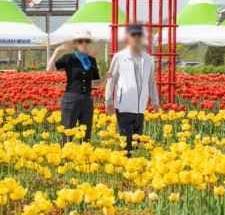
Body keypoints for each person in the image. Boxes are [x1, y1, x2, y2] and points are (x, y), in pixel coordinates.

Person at [104, 23, 159, 155]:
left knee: (136, 142)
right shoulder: (119, 57)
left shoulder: (148, 59)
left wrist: (155, 101)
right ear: (128, 37)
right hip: (124, 106)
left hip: (140, 108)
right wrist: (108, 100)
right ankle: (124, 163)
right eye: (133, 34)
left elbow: (151, 82)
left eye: (139, 34)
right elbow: (111, 80)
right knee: (126, 143)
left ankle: (134, 164)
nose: (136, 37)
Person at [47, 31, 100, 142]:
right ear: (75, 43)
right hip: (71, 99)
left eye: (87, 41)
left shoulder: (92, 60)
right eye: (80, 41)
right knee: (68, 134)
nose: (84, 44)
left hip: (87, 100)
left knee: (86, 136)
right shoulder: (69, 58)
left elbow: (96, 83)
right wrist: (57, 51)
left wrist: (108, 77)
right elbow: (49, 70)